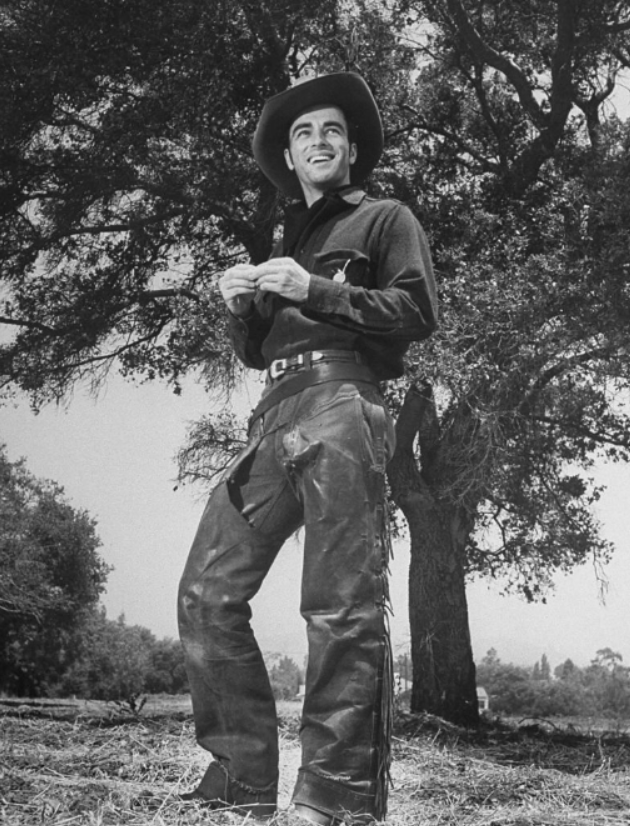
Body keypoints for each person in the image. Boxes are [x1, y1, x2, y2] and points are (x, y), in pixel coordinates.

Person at [177, 72, 437, 824]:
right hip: (273, 415)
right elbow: (259, 351)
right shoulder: (286, 245)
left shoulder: (386, 218)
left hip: (343, 403)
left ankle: (331, 798)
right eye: (303, 134)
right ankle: (243, 782)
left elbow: (417, 310)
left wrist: (314, 290)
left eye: (332, 130)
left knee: (340, 606)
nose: (319, 142)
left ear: (351, 150)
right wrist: (241, 311)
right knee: (206, 593)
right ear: (289, 158)